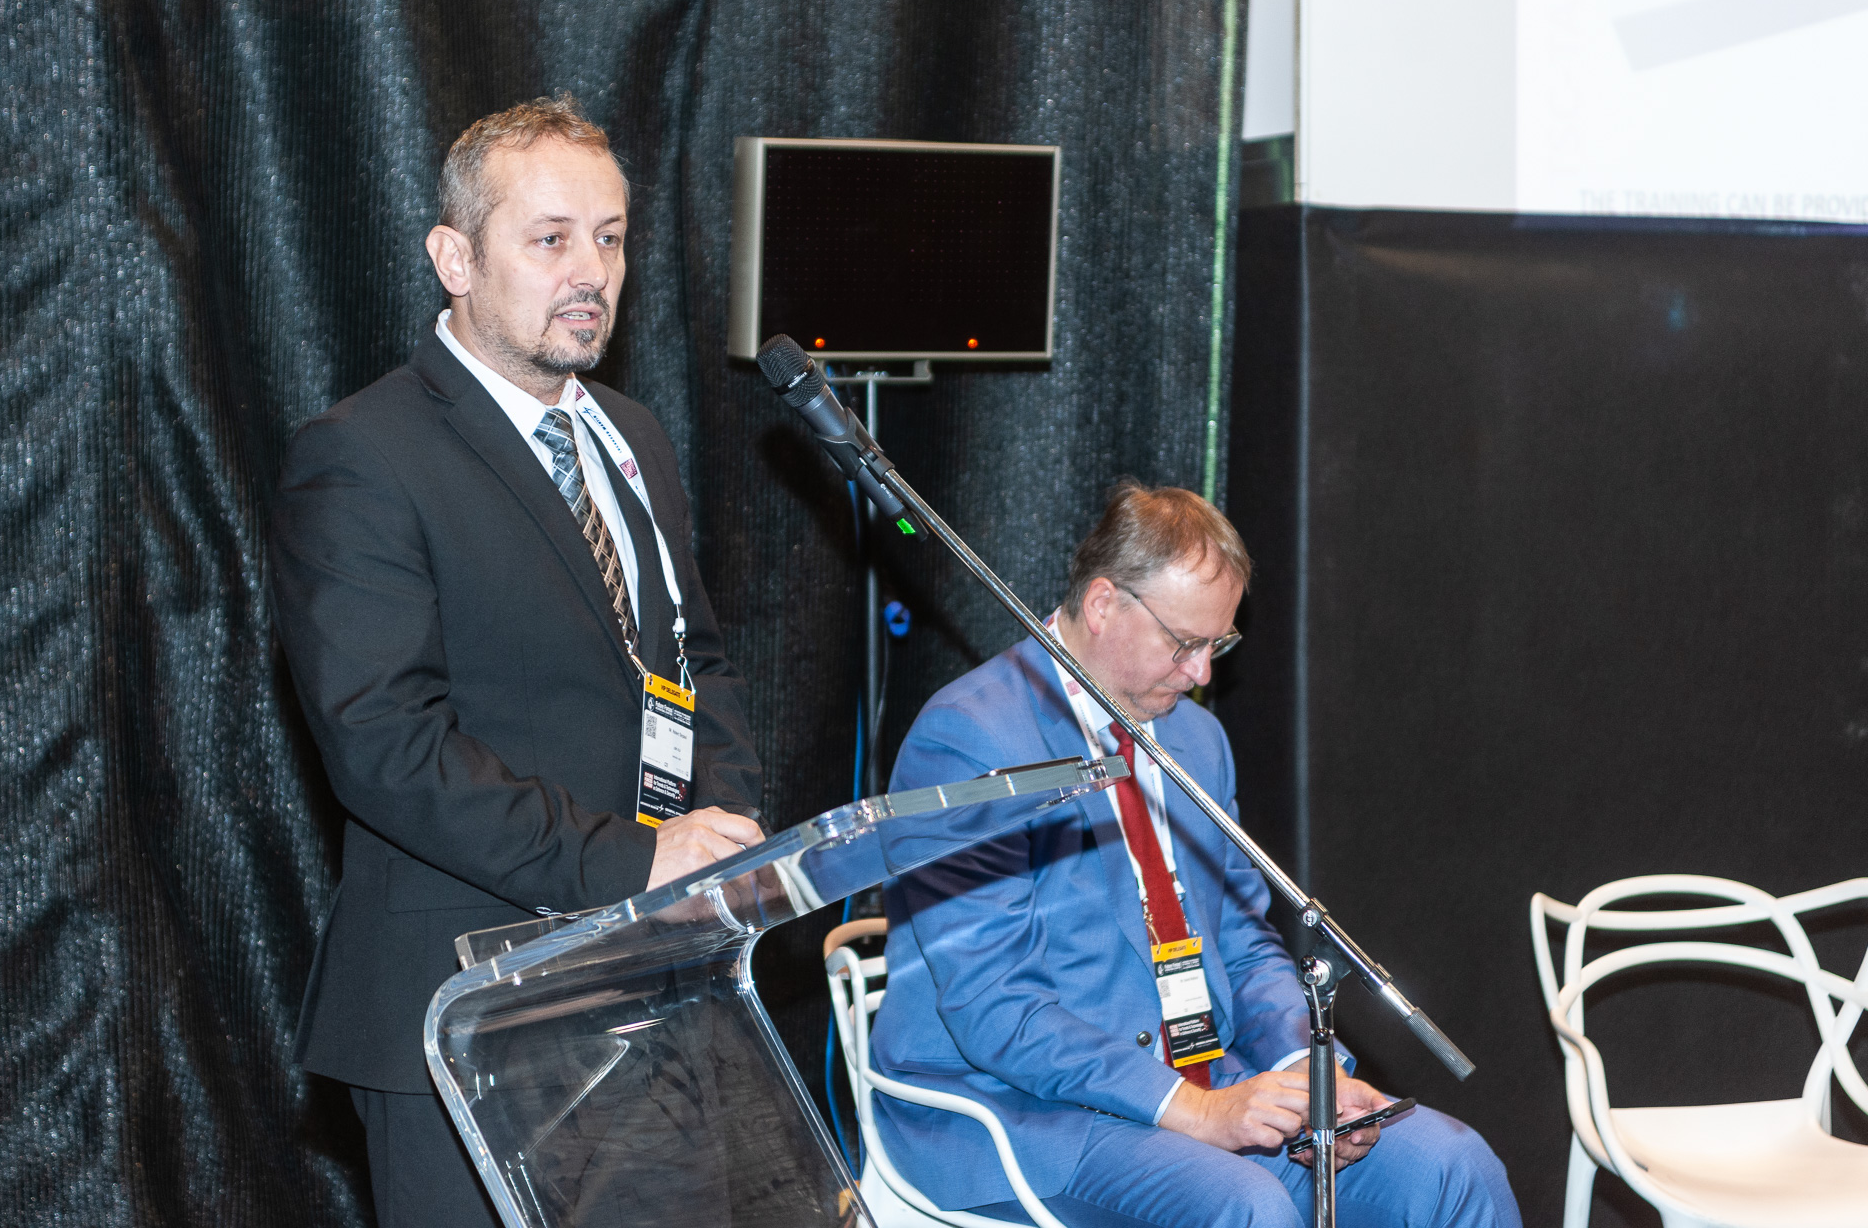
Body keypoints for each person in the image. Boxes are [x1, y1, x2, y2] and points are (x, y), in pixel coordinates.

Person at [269, 97, 763, 1228]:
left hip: (653, 990)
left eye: (610, 237)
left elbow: (696, 661)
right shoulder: (362, 455)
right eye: (550, 238)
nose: (590, 271)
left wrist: (723, 840)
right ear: (455, 259)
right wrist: (632, 861)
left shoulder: (632, 436)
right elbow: (387, 746)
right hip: (469, 1012)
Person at [868, 481, 1520, 1228]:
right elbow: (996, 1006)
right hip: (1024, 1114)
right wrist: (1193, 1109)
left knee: (1453, 1166)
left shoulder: (1196, 738)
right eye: (1184, 643)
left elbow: (1241, 936)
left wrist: (1306, 1072)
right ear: (1104, 604)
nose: (1203, 673)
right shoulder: (971, 737)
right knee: (1248, 1208)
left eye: (1219, 645)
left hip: (1206, 1073)